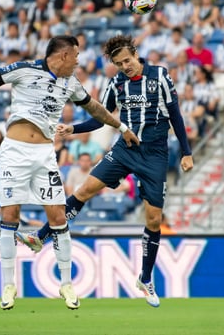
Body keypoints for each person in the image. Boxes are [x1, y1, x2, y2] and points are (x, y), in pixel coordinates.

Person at [0, 35, 139, 311]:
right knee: (10, 216)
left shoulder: (70, 83)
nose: (78, 61)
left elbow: (94, 108)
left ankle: (66, 283)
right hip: (14, 152)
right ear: (62, 56)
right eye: (75, 55)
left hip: (44, 154)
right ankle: (8, 284)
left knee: (59, 216)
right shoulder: (25, 69)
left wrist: (121, 128)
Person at [16, 35, 193, 308]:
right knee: (84, 190)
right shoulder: (117, 83)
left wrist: (186, 152)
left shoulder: (160, 76)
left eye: (127, 60)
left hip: (155, 154)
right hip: (125, 148)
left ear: (135, 54)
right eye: (119, 64)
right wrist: (73, 128)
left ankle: (145, 278)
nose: (125, 66)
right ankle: (40, 237)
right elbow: (101, 116)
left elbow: (175, 114)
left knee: (154, 219)